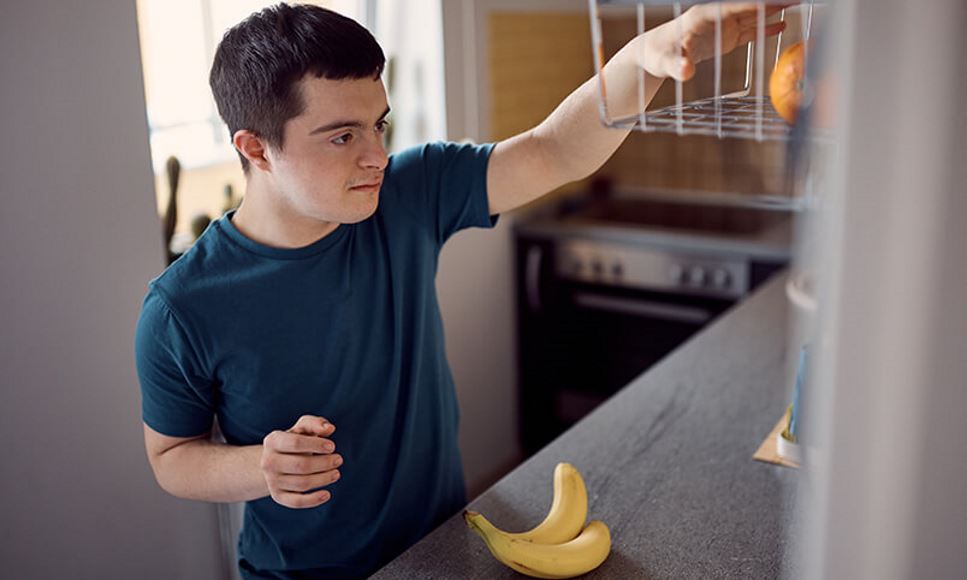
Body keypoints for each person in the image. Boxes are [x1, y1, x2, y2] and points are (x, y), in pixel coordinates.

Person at [134, 3, 785, 578]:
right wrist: (259, 470)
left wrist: (647, 53)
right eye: (342, 135)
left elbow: (555, 150)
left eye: (378, 125)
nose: (376, 155)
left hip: (444, 542)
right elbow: (171, 456)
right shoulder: (183, 306)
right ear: (255, 148)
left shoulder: (406, 194)